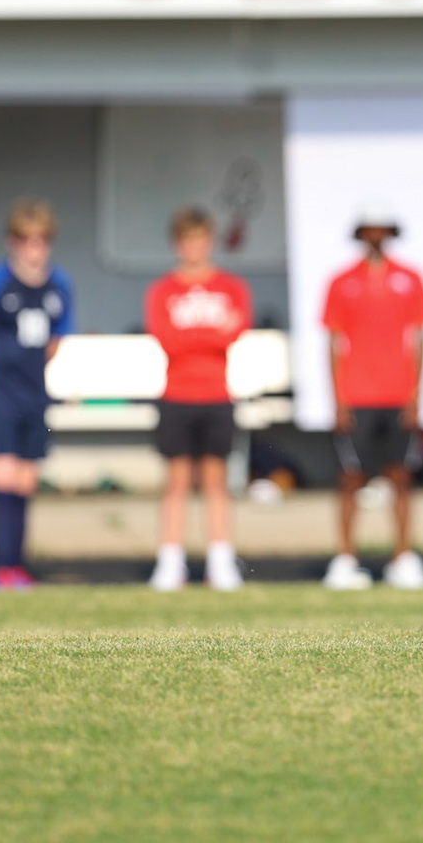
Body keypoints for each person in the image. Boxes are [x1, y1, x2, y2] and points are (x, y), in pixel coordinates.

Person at [0, 199, 74, 590]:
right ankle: (2, 566)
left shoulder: (59, 285)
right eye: (25, 240)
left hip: (34, 394)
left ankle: (19, 565)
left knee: (26, 478)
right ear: (13, 242)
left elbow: (56, 338)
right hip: (0, 393)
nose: (33, 248)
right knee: (4, 474)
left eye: (41, 240)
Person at [321, 206, 423, 591]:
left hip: (398, 395)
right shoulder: (341, 281)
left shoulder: (410, 278)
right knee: (351, 478)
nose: (375, 237)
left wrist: (416, 394)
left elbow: (418, 339)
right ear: (360, 234)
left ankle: (402, 557)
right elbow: (334, 341)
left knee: (400, 477)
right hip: (357, 394)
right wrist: (337, 398)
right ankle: (346, 558)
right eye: (369, 230)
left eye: (382, 230)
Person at [143, 207, 253, 592]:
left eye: (201, 240)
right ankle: (170, 562)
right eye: (187, 240)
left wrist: (198, 336)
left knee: (215, 480)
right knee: (176, 481)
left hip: (216, 395)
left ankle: (221, 562)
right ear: (177, 244)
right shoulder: (163, 291)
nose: (194, 248)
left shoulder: (232, 287)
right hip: (177, 394)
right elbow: (167, 340)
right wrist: (208, 333)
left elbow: (234, 332)